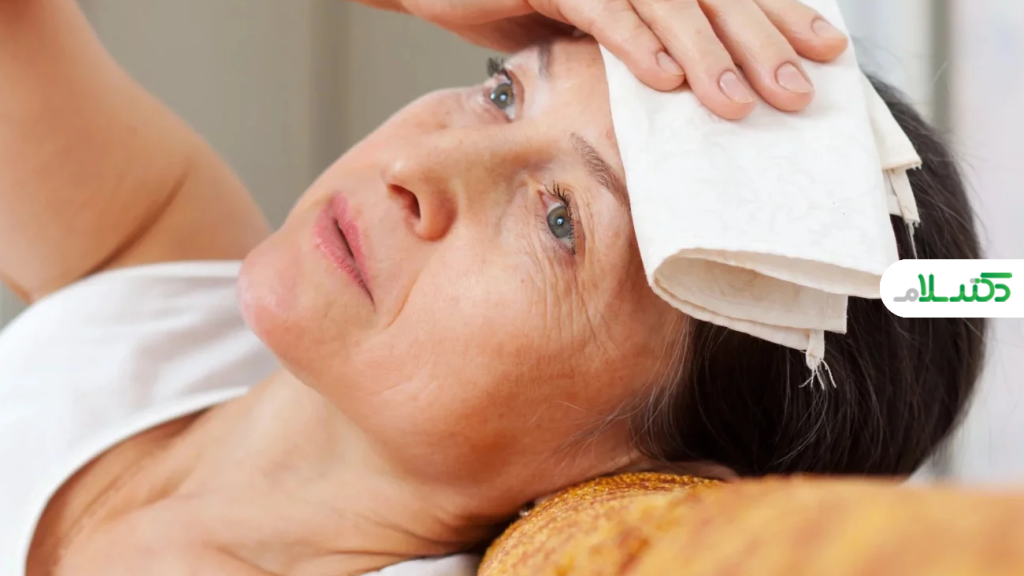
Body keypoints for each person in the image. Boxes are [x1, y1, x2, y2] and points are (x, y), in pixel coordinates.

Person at [0, 0, 983, 575]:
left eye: (560, 222)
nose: (419, 168)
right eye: (506, 92)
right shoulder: (152, 282)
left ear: (655, 471)